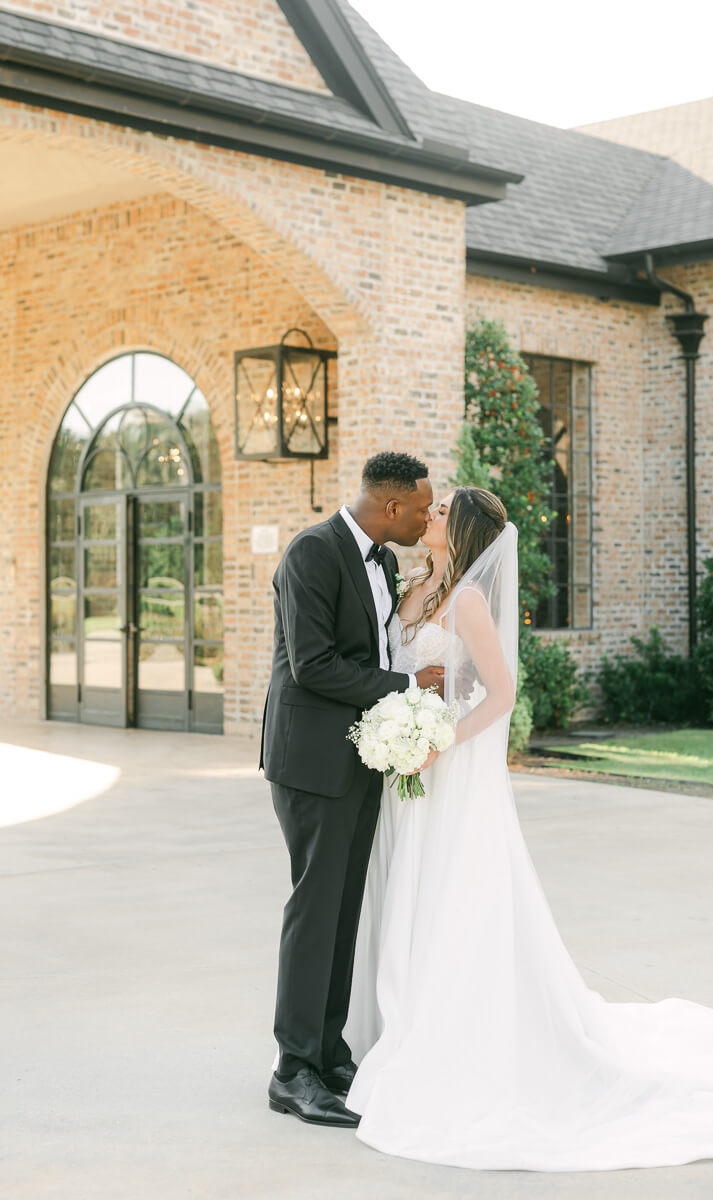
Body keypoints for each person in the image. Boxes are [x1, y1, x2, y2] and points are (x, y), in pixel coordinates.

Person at [344, 485, 713, 1171]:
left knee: (452, 892)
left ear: (460, 529)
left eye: (439, 511)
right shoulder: (420, 586)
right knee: (411, 887)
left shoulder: (467, 598)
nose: (428, 514)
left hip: (448, 769)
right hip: (409, 770)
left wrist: (438, 740)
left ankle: (451, 1029)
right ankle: (398, 1017)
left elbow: (498, 695)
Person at [260, 451, 446, 1128]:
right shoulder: (312, 552)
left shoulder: (385, 562)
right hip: (309, 762)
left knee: (342, 913)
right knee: (315, 912)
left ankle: (328, 1053)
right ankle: (291, 1070)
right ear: (391, 507)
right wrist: (406, 688)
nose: (428, 519)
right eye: (423, 508)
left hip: (359, 759)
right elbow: (312, 666)